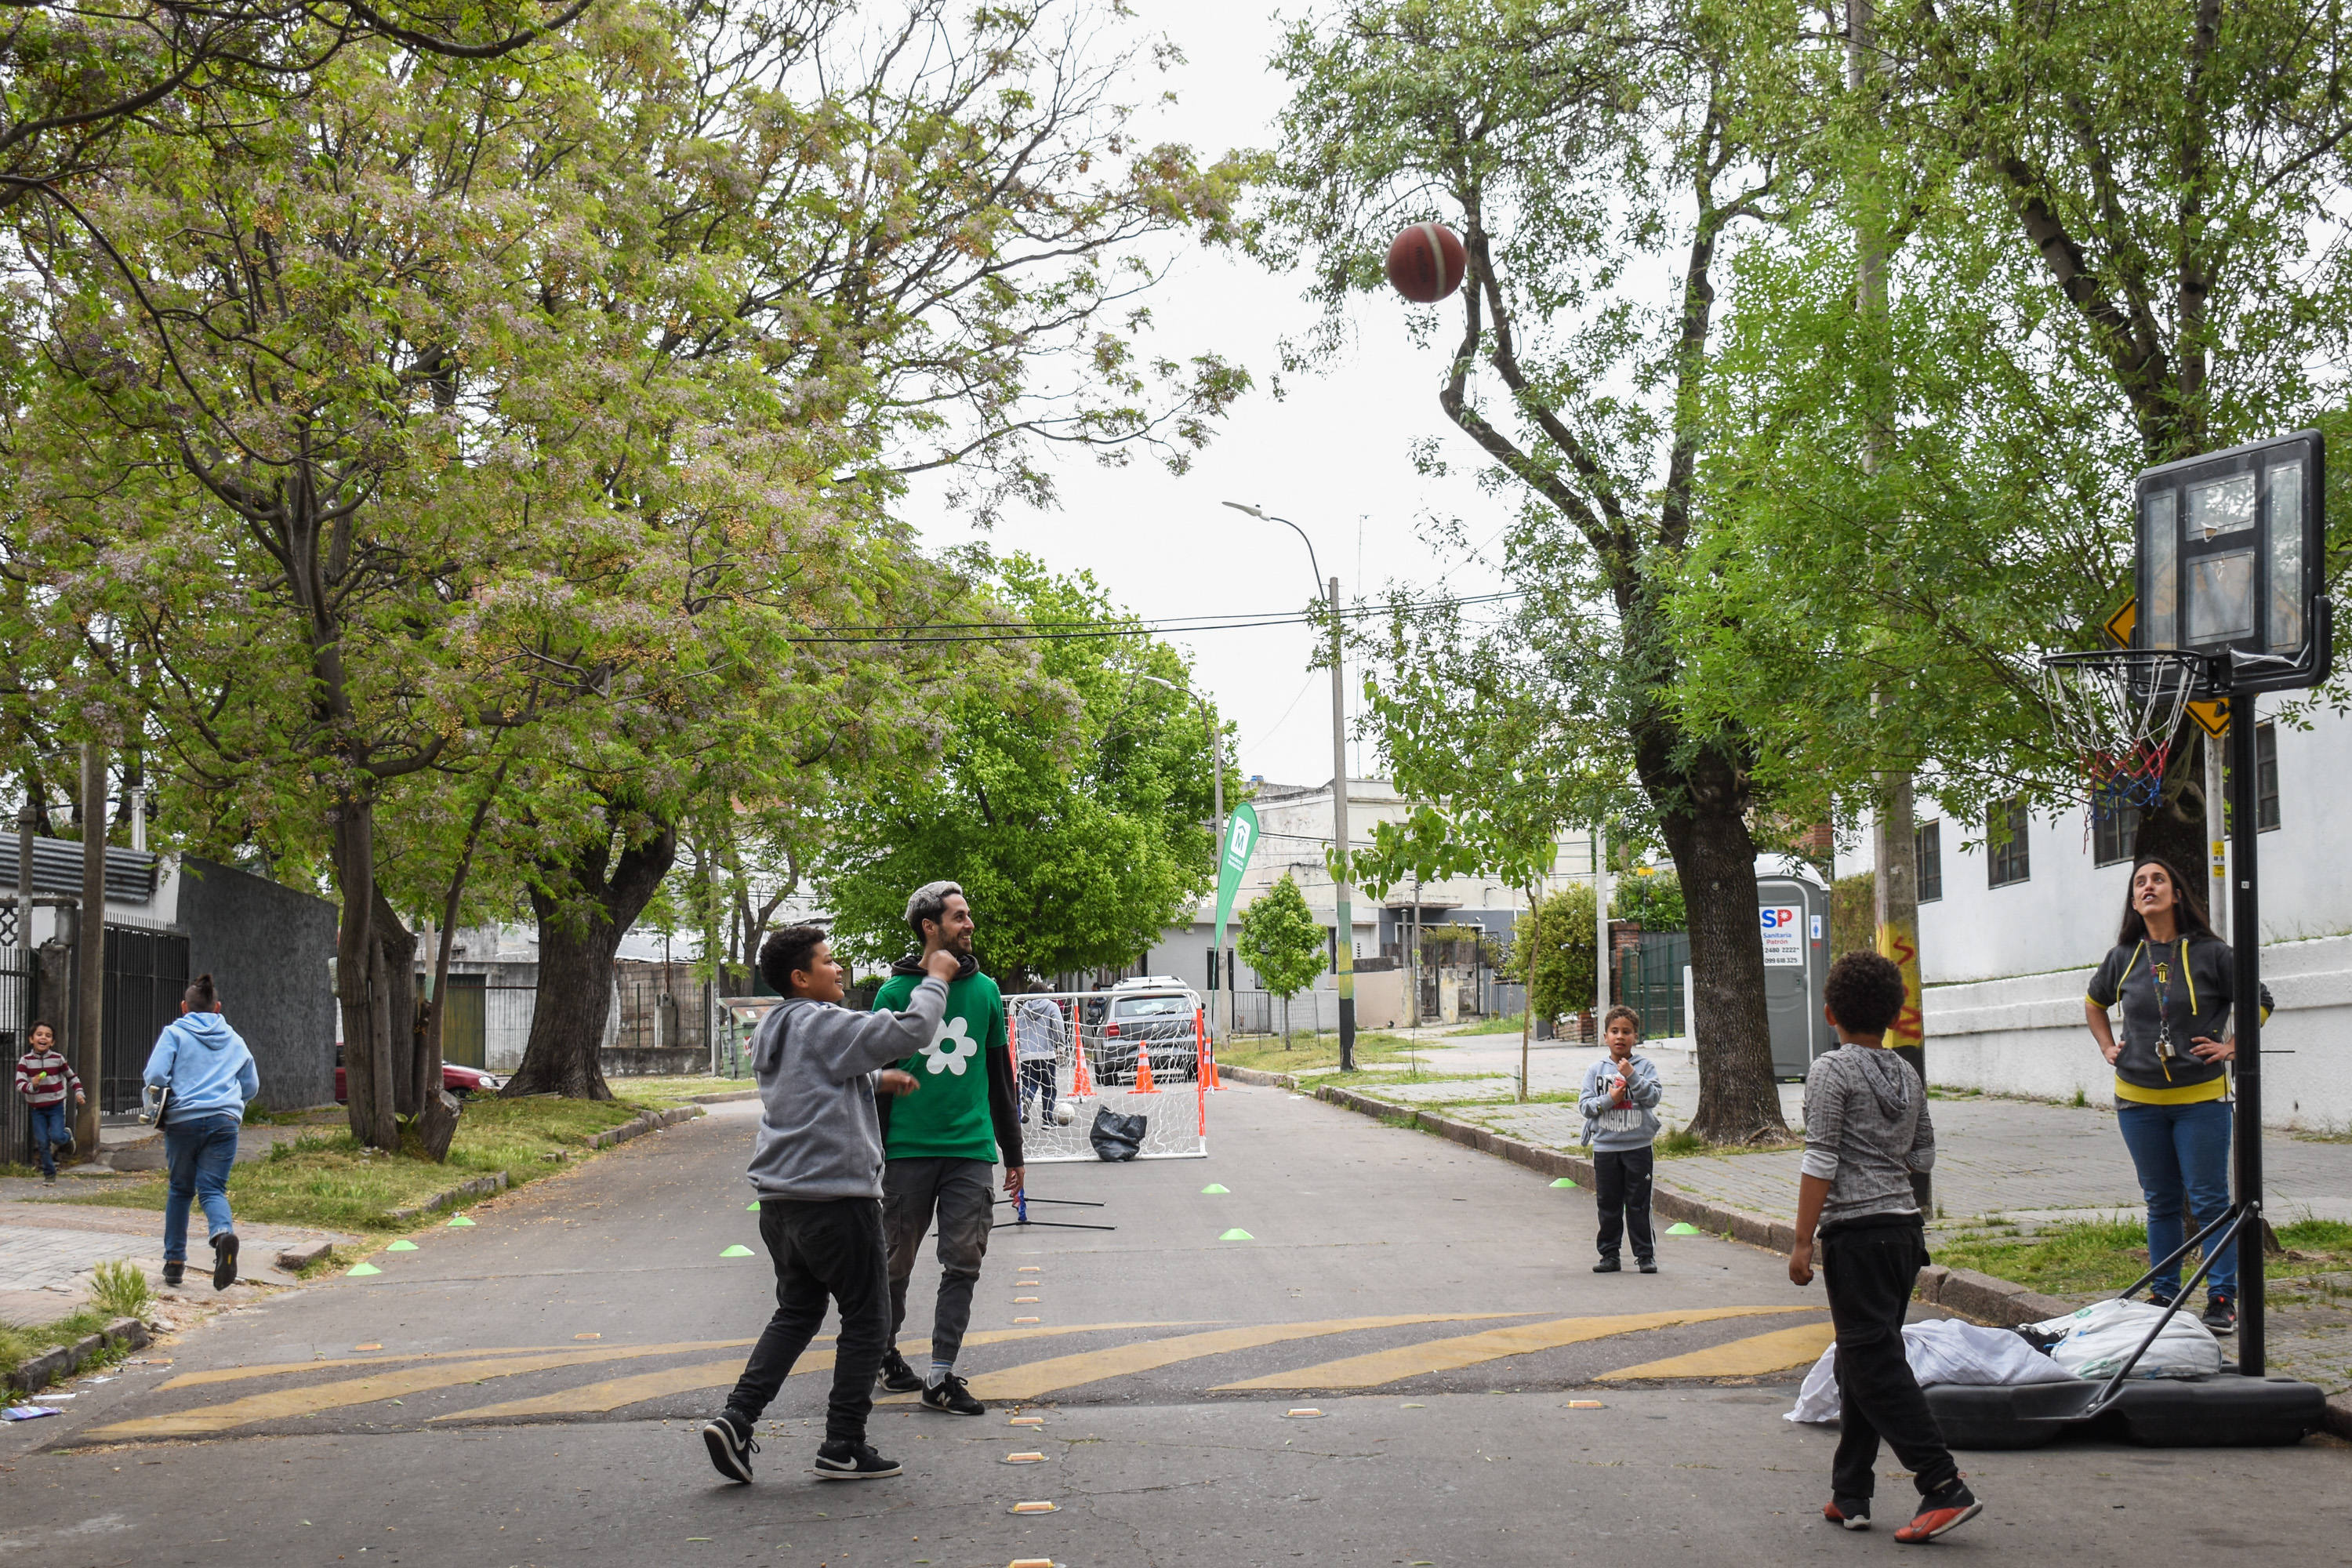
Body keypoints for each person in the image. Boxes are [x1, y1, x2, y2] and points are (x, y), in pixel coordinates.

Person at [699, 925, 954, 1485]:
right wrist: (935, 978)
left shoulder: (777, 1026)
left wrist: (873, 1079)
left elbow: (811, 1078)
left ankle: (737, 1418)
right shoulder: (822, 1020)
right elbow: (910, 1029)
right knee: (868, 1319)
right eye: (828, 961)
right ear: (801, 977)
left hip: (781, 1202)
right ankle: (844, 1442)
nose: (839, 970)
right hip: (836, 1197)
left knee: (798, 1311)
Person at [1789, 951, 1979, 1544]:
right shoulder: (1906, 1072)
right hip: (1903, 1232)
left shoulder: (1831, 1070)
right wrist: (1884, 1159)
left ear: (1830, 1013)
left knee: (1872, 1362)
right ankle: (1851, 1492)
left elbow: (1820, 1156)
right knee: (1859, 1360)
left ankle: (1942, 1483)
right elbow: (1923, 1154)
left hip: (1857, 1235)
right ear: (1894, 1016)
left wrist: (1801, 1243)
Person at [2083, 854, 2267, 1334]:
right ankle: (2164, 1293)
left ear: (2177, 894)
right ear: (2134, 900)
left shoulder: (2212, 953)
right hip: (2137, 1102)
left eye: (2158, 880)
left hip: (2200, 1100)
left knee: (2209, 1201)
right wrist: (2108, 1046)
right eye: (2140, 882)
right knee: (2160, 1200)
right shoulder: (2122, 957)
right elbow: (2093, 1001)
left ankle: (2222, 1298)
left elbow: (2259, 1000)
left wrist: (2233, 1046)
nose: (2148, 887)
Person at [869, 880, 1024, 1417]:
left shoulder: (986, 991)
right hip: (906, 1152)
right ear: (929, 927)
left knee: (963, 1260)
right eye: (959, 917)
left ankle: (940, 1375)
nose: (969, 925)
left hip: (970, 1149)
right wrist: (873, 1155)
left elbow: (1001, 1078)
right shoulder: (892, 995)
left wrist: (1014, 1153)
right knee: (893, 1264)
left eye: (968, 915)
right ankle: (884, 1354)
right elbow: (876, 1082)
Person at [141, 974, 260, 1291]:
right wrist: (233, 1104)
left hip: (183, 1121)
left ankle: (175, 1263)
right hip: (224, 1122)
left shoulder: (175, 1034)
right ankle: (222, 1235)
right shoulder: (234, 1038)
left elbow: (154, 1074)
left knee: (181, 1190)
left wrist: (164, 1098)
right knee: (213, 1190)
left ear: (184, 1007)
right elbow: (251, 1085)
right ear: (218, 1007)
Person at [1577, 1004, 1661, 1274]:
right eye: (1614, 1031)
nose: (1620, 1037)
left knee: (1638, 1204)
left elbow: (1653, 1098)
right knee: (1609, 1203)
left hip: (1638, 1146)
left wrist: (1632, 1077)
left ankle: (1645, 1255)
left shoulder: (1645, 1067)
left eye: (1627, 1031)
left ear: (1635, 1036)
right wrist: (1610, 1100)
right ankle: (1610, 1254)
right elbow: (1585, 1106)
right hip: (1606, 1148)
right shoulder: (1595, 1070)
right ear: (1606, 1037)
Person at [12, 1020, 83, 1185]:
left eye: (48, 1036)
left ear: (53, 1042)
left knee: (57, 1137)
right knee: (43, 1142)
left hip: (55, 1106)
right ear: (31, 1039)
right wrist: (33, 1086)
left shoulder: (57, 1059)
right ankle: (49, 1174)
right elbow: (19, 1084)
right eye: (39, 1034)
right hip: (37, 1108)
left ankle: (67, 1136)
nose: (43, 1038)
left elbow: (71, 1077)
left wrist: (79, 1092)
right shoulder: (25, 1061)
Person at [1013, 995, 1063, 1127]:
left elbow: (1016, 1029)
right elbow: (1058, 1025)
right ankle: (1047, 1119)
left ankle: (1027, 1099)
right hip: (1046, 1053)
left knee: (1030, 1084)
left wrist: (1017, 1049)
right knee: (1049, 1087)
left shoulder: (1023, 1009)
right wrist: (1061, 1045)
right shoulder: (1052, 1006)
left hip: (1026, 1055)